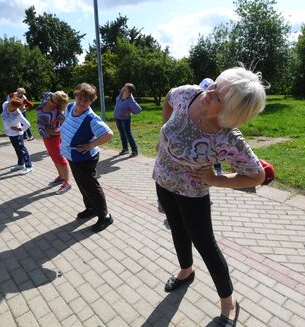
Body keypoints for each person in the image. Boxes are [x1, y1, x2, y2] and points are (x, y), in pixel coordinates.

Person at [153, 67, 267, 326]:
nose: (210, 92)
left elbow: (257, 176)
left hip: (193, 193)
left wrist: (217, 180)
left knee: (205, 244)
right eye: (215, 85)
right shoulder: (190, 94)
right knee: (176, 229)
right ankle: (186, 270)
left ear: (231, 113)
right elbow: (169, 98)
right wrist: (163, 132)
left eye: (219, 95)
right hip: (162, 179)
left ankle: (228, 302)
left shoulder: (227, 139)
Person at [61, 83, 114, 233]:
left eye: (87, 100)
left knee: (91, 186)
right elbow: (68, 122)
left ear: (91, 101)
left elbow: (108, 134)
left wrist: (91, 144)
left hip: (85, 158)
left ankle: (105, 216)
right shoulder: (71, 107)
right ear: (76, 96)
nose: (82, 102)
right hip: (72, 156)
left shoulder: (91, 118)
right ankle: (91, 208)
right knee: (83, 185)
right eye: (80, 98)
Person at [37, 91, 73, 195]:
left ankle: (67, 182)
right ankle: (61, 177)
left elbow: (66, 125)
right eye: (50, 97)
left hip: (53, 138)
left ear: (56, 104)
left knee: (60, 158)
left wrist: (56, 132)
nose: (49, 99)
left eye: (52, 99)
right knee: (53, 157)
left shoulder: (56, 113)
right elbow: (47, 94)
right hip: (46, 137)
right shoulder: (47, 100)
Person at [199, 78, 224, 176]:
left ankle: (218, 171)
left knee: (213, 149)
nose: (208, 94)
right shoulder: (198, 100)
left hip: (211, 130)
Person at [1, 98, 33, 175]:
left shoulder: (18, 114)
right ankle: (21, 164)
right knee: (16, 149)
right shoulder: (5, 104)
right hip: (10, 133)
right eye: (10, 105)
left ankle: (29, 166)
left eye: (13, 107)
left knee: (22, 149)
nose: (10, 107)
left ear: (16, 108)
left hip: (17, 134)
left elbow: (27, 125)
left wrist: (19, 129)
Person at [114, 83, 142, 157]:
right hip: (117, 117)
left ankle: (135, 151)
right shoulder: (121, 94)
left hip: (125, 120)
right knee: (122, 134)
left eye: (125, 89)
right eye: (124, 87)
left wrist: (130, 111)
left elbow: (138, 110)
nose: (123, 89)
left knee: (128, 134)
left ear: (129, 92)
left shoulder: (130, 100)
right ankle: (125, 149)